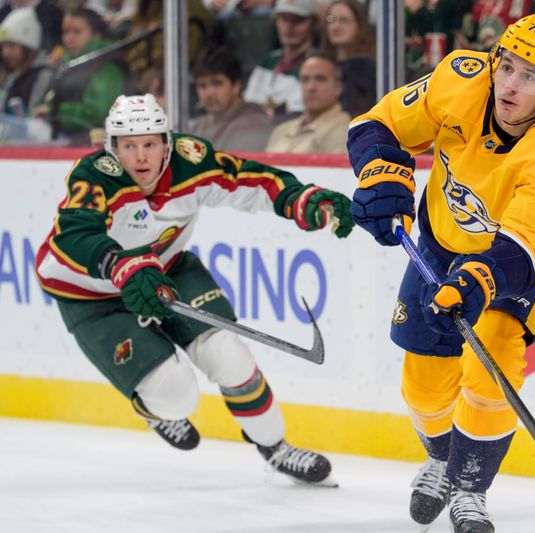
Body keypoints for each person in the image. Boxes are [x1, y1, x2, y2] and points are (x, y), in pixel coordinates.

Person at [347, 13, 535, 533]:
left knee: (492, 366)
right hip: (443, 238)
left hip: (527, 261)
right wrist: (381, 170)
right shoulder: (461, 76)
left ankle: (470, 487)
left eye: (529, 76)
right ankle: (442, 459)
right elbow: (377, 123)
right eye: (506, 66)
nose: (508, 84)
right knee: (423, 385)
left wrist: (474, 282)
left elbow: (525, 248)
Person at [35, 94, 353, 486]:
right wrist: (120, 264)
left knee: (229, 355)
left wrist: (296, 197)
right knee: (176, 395)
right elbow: (75, 233)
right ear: (111, 147)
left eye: (150, 144)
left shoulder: (190, 160)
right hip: (92, 294)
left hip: (167, 269)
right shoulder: (94, 175)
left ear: (168, 142)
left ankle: (277, 448)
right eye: (129, 146)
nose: (141, 157)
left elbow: (247, 179)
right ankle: (157, 409)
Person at [34, 7, 126, 145]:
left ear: (97, 35)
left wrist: (55, 112)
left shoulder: (108, 68)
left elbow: (98, 113)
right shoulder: (66, 65)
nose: (69, 38)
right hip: (65, 141)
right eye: (65, 32)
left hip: (96, 145)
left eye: (77, 32)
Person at [243, 0, 318, 123]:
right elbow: (247, 103)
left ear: (313, 24)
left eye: (298, 20)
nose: (289, 27)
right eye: (284, 19)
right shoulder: (268, 60)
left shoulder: (318, 65)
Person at [189, 46, 272, 152]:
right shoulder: (197, 127)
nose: (209, 93)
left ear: (236, 86)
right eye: (202, 85)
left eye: (217, 83)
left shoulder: (254, 126)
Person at [266, 53, 350, 154]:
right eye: (305, 79)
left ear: (338, 88)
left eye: (320, 79)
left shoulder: (346, 131)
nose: (310, 87)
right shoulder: (280, 131)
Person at [319, 0, 376, 117]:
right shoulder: (322, 63)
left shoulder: (366, 69)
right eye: (331, 20)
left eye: (343, 20)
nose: (335, 27)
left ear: (360, 25)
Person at [0, 6, 54, 117]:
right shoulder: (15, 73)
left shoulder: (43, 75)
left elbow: (32, 116)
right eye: (3, 46)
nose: (5, 53)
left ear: (28, 48)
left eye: (11, 46)